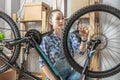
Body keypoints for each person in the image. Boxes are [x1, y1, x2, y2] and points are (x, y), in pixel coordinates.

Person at [39, 9, 89, 80]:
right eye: (58, 19)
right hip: (54, 77)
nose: (61, 21)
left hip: (69, 74)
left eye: (62, 18)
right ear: (51, 21)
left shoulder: (70, 36)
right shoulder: (45, 40)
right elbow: (42, 64)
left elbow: (80, 51)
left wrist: (84, 39)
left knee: (87, 76)